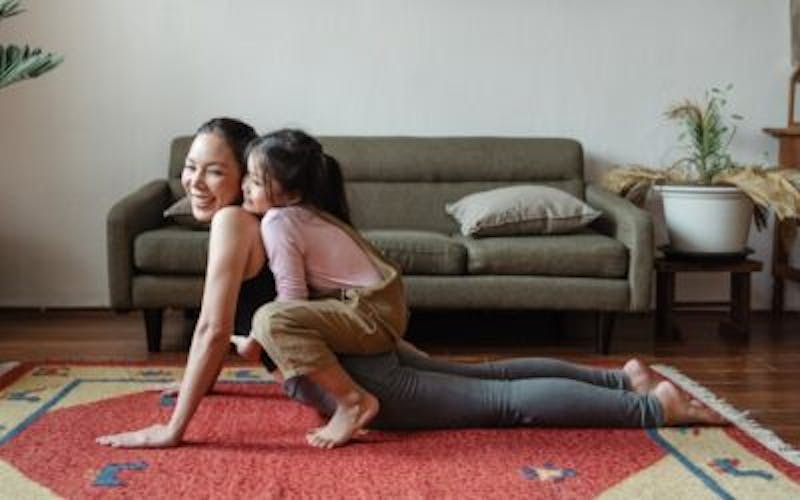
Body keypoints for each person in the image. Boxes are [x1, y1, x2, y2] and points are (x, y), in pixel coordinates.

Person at [96, 121, 723, 450]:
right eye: (189, 169)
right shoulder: (283, 217)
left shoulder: (241, 221)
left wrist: (174, 428)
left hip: (362, 375)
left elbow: (214, 327)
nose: (196, 183)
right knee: (494, 376)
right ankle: (624, 378)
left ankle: (647, 406)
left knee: (503, 404)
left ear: (249, 178)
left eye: (215, 171)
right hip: (361, 344)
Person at [233, 129, 406, 448]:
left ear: (291, 192)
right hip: (381, 308)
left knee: (270, 319)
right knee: (270, 318)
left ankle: (353, 402)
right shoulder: (305, 212)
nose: (244, 185)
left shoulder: (278, 221)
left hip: (370, 315)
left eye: (256, 181)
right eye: (248, 176)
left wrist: (257, 340)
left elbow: (291, 300)